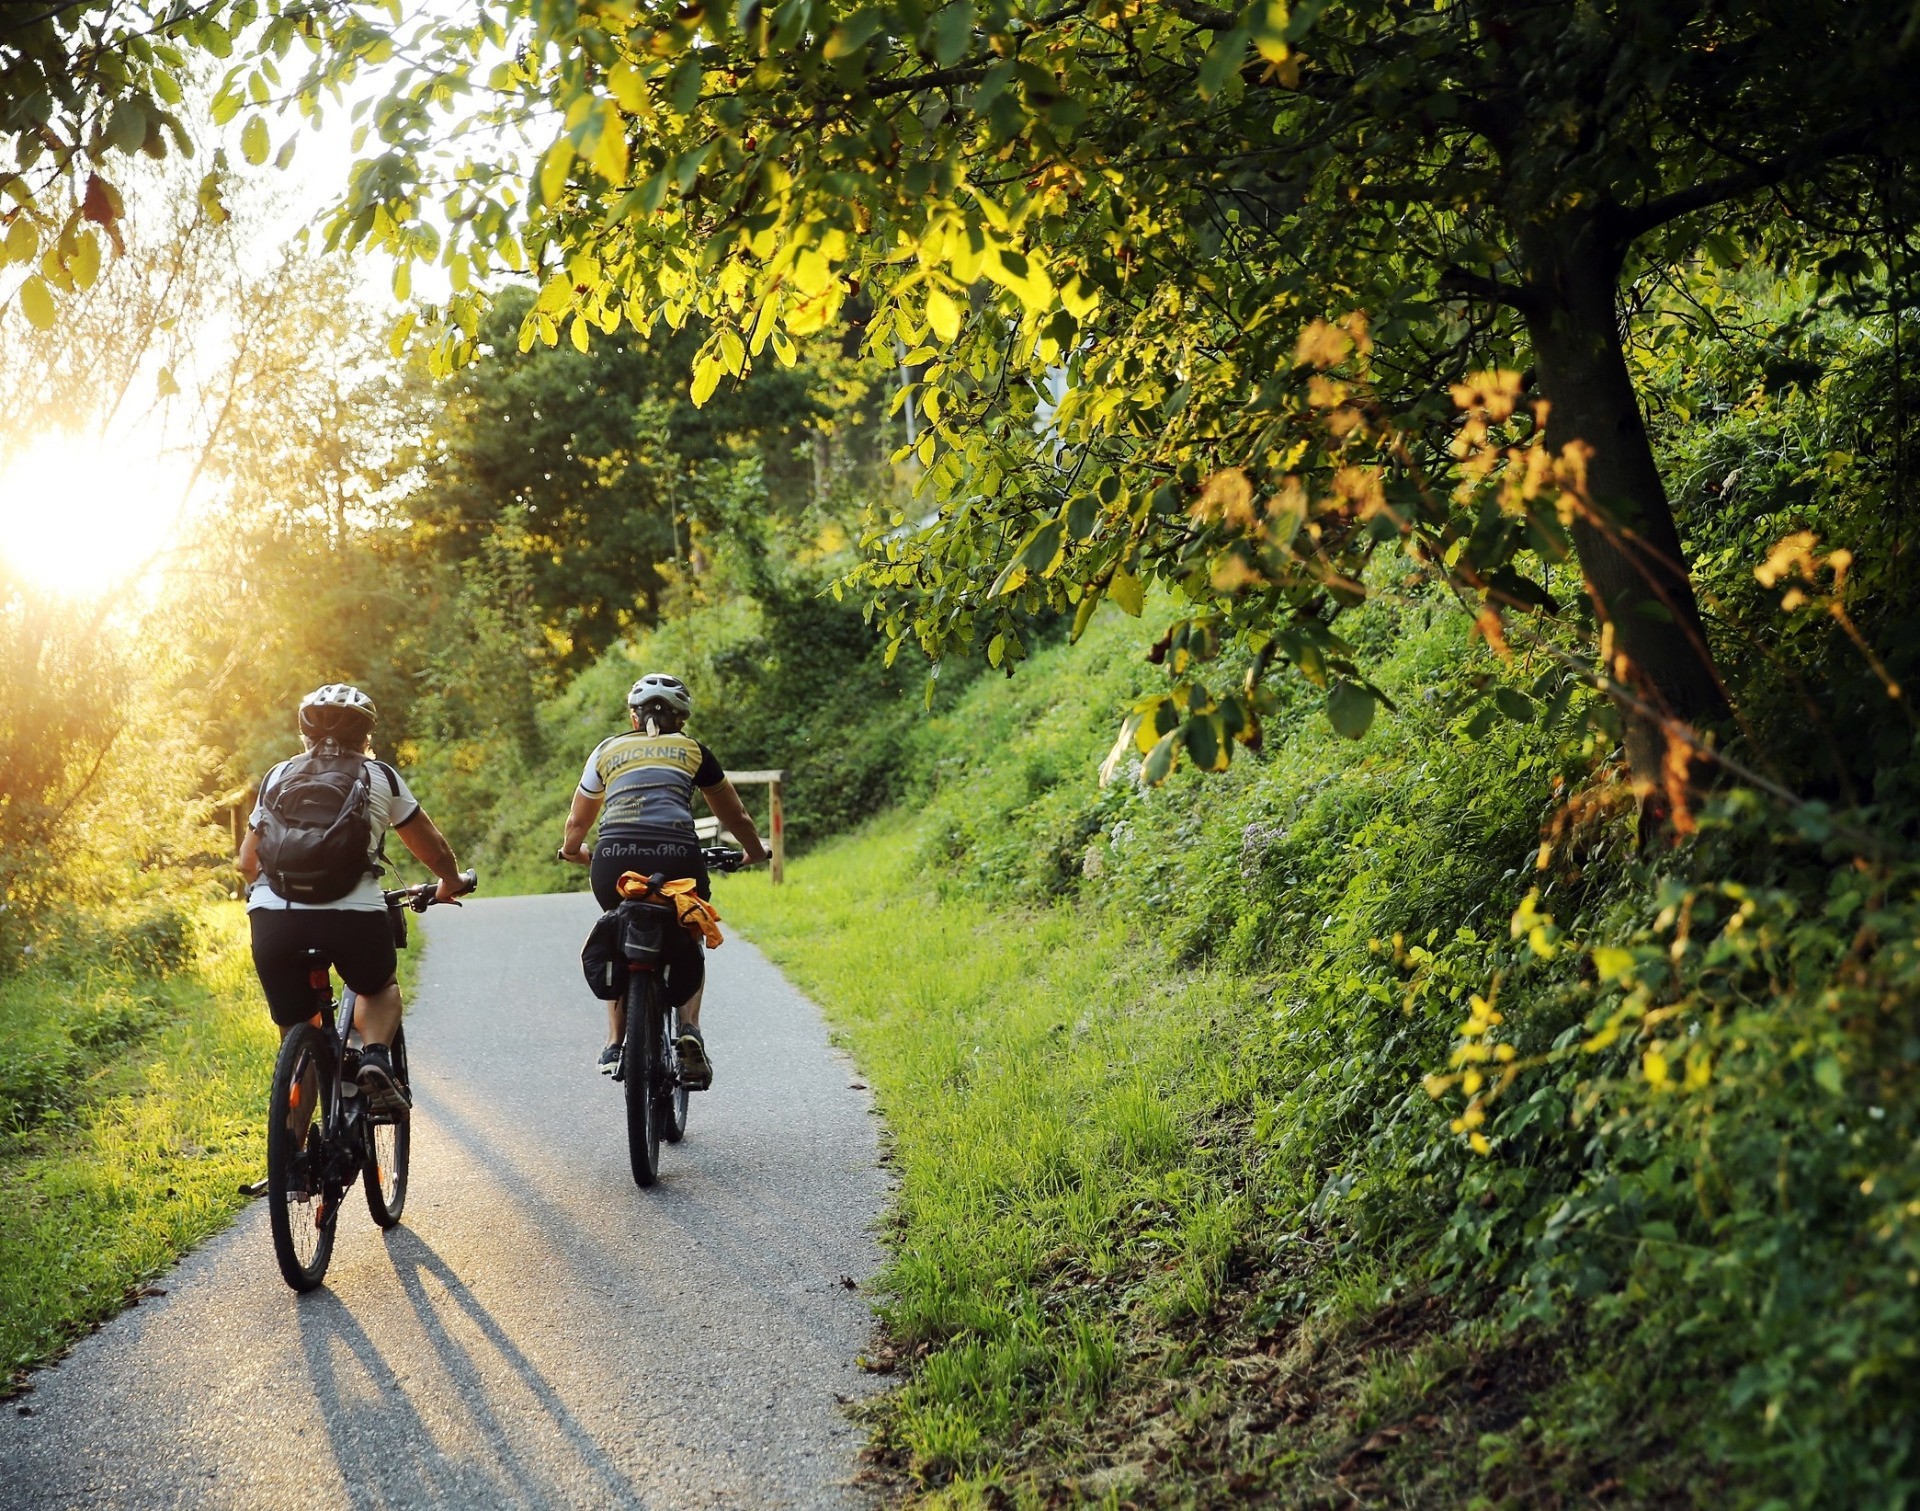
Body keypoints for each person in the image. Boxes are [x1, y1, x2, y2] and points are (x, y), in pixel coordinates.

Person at [237, 684, 466, 1112]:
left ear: (304, 735)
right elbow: (431, 848)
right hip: (352, 914)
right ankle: (376, 1057)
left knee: (297, 1040)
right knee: (378, 988)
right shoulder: (380, 776)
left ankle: (293, 1171)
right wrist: (450, 880)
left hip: (274, 916)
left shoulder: (277, 775)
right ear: (366, 736)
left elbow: (247, 863)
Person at [559, 672, 769, 1085]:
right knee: (690, 925)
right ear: (681, 719)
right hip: (678, 858)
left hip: (613, 860)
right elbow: (736, 816)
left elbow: (577, 821)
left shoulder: (606, 750)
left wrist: (572, 852)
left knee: (621, 931)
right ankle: (689, 1031)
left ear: (634, 718)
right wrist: (755, 852)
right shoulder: (694, 752)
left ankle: (615, 1043)